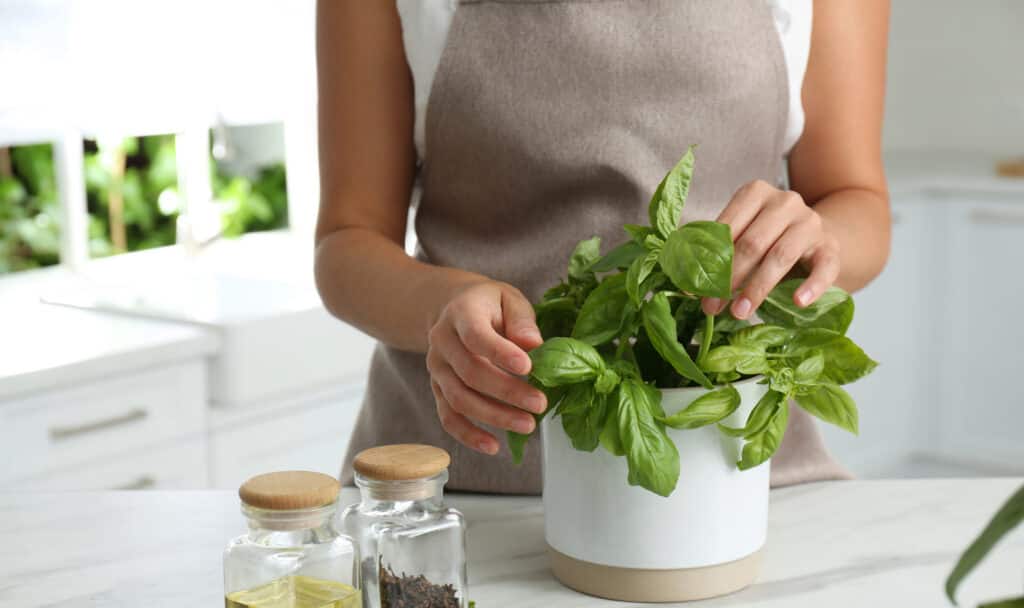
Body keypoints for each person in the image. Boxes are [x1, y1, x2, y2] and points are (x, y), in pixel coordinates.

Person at [314, 0, 891, 493]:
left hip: (739, 482)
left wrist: (813, 240)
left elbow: (857, 200)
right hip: (450, 489)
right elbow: (347, 239)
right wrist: (443, 304)